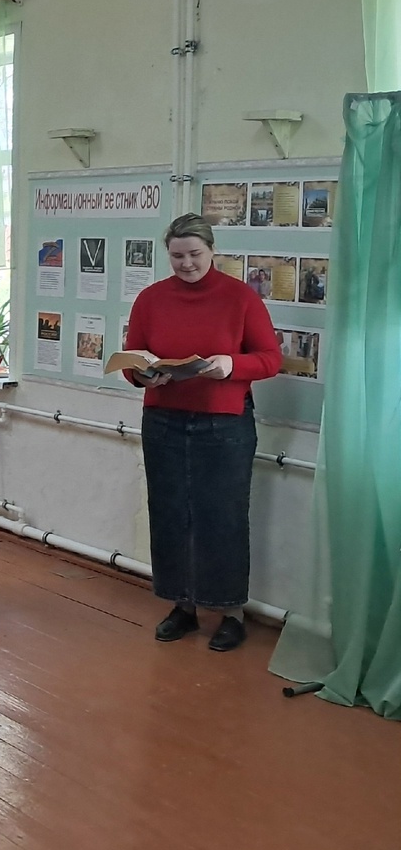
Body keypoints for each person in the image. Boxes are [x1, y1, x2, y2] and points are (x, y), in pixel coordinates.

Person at [124, 213, 282, 651]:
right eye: (177, 256)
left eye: (195, 254)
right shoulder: (151, 299)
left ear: (212, 251)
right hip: (164, 419)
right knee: (170, 513)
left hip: (224, 421)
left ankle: (230, 612)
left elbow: (270, 358)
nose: (186, 264)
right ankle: (183, 605)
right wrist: (143, 375)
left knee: (223, 516)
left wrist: (232, 364)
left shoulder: (240, 297)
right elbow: (133, 357)